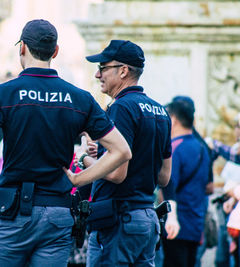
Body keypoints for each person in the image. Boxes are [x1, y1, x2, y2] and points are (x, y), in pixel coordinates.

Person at [0, 19, 131, 267]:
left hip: (12, 211)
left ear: (22, 48)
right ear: (54, 52)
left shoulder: (3, 94)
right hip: (57, 212)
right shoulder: (79, 98)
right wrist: (79, 178)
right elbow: (121, 151)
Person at [65, 40, 172, 266]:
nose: (97, 75)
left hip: (119, 222)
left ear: (123, 71)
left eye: (103, 68)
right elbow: (163, 177)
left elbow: (116, 174)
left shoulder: (121, 107)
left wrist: (83, 158)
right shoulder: (160, 111)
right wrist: (102, 155)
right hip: (146, 219)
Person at [161, 100, 210, 267]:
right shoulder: (203, 148)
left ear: (173, 120)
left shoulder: (174, 148)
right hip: (196, 225)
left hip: (175, 226)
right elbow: (208, 187)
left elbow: (167, 185)